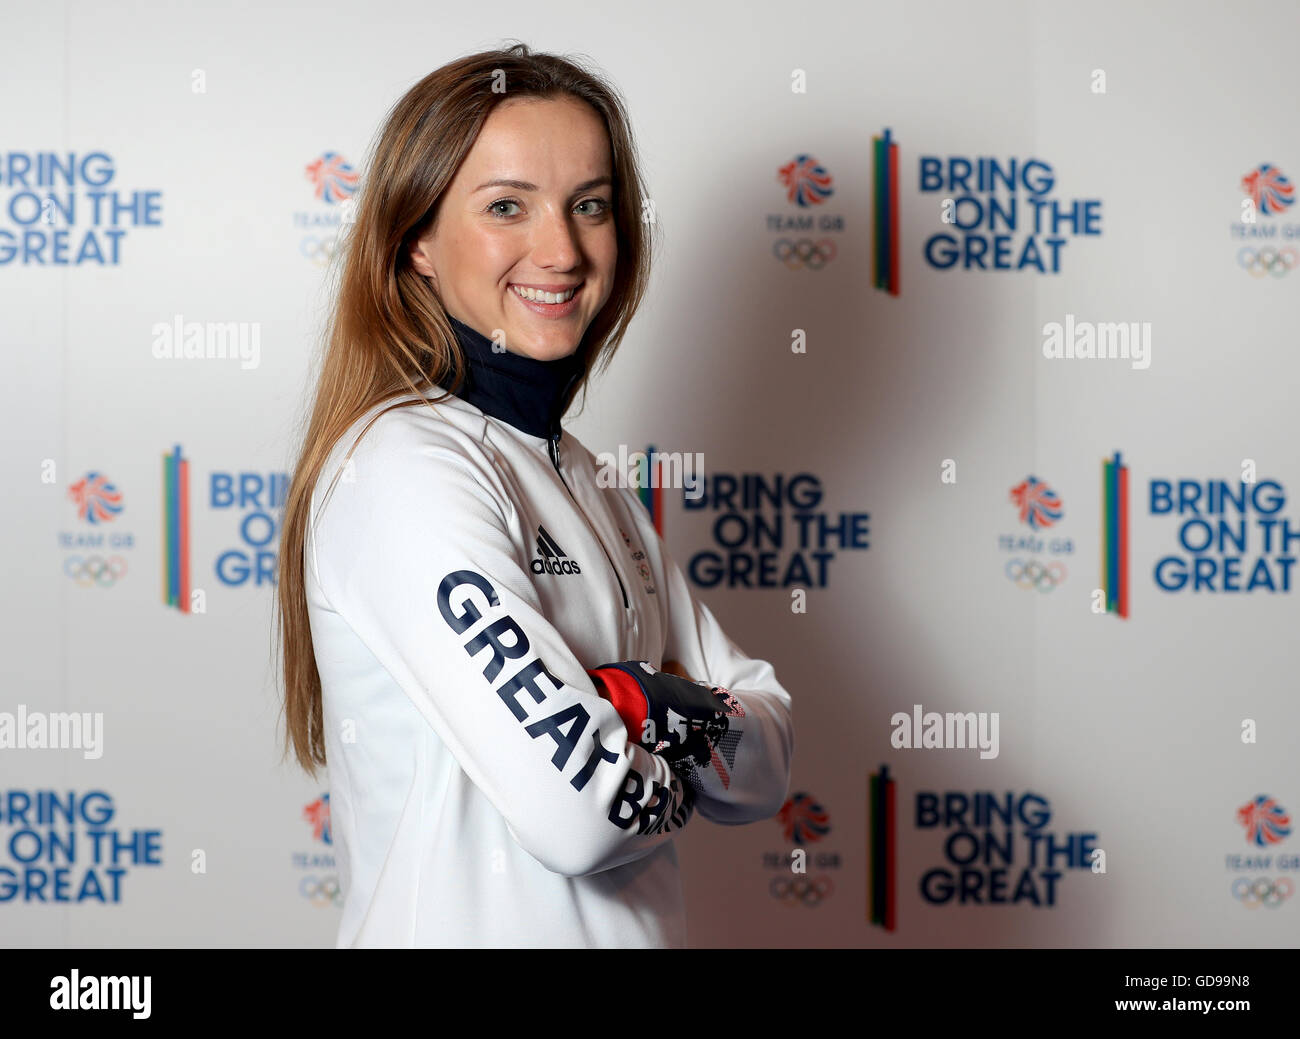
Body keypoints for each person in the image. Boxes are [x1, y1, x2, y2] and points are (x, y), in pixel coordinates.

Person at [275, 42, 794, 948]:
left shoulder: (583, 474)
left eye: (588, 205)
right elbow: (583, 816)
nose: (561, 251)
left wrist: (638, 706)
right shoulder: (403, 466)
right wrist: (679, 727)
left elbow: (768, 761)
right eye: (507, 206)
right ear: (417, 240)